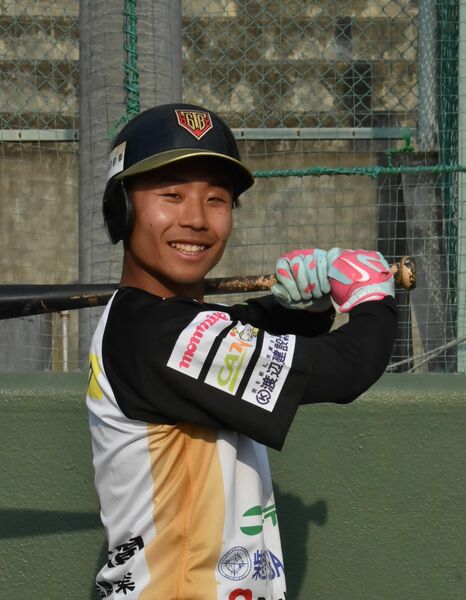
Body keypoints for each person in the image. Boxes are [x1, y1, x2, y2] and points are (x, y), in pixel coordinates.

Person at [86, 103, 397, 600]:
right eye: (171, 195)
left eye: (217, 199)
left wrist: (302, 309)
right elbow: (346, 370)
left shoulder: (150, 323)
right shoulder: (152, 334)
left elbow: (238, 328)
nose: (196, 219)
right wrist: (373, 300)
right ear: (121, 209)